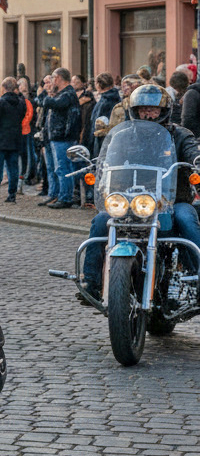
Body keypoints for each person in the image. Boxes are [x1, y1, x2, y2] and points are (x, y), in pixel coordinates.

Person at [83, 84, 200, 298]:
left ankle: (197, 276)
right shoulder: (124, 134)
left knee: (186, 219)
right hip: (129, 199)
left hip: (171, 200)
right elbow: (108, 157)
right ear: (134, 110)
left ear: (163, 110)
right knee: (100, 221)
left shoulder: (180, 135)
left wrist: (196, 160)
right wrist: (98, 167)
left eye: (153, 109)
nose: (147, 113)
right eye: (143, 109)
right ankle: (91, 282)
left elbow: (192, 151)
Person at [42, 67, 80, 209]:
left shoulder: (68, 94)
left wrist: (48, 95)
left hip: (63, 137)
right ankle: (57, 194)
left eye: (52, 78)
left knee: (63, 167)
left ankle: (65, 197)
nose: (51, 81)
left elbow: (53, 103)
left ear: (58, 78)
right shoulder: (63, 93)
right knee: (58, 168)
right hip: (57, 137)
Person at [0, 78, 25, 204]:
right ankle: (12, 195)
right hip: (14, 140)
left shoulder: (0, 102)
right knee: (13, 168)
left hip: (0, 139)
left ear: (3, 88)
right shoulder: (20, 103)